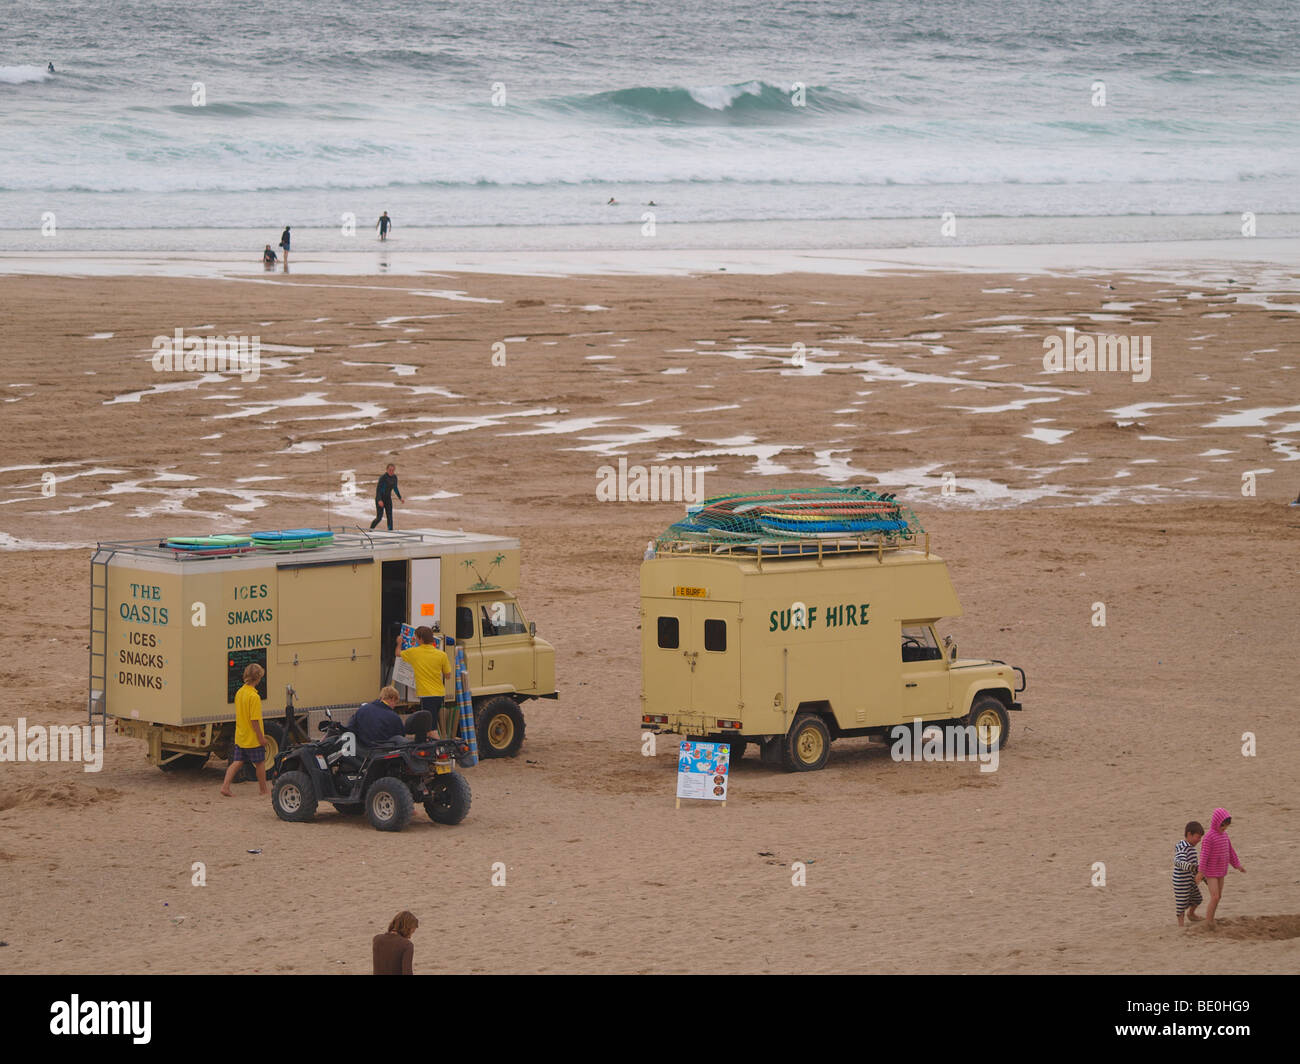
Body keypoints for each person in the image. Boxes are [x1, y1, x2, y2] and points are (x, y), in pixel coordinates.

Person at [220, 663, 268, 796]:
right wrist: (261, 738)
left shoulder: (239, 692)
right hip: (252, 738)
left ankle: (225, 786)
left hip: (240, 736)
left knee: (237, 762)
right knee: (260, 763)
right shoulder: (254, 697)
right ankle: (263, 790)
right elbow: (254, 720)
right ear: (258, 678)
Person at [397, 625, 453, 739]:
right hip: (440, 694)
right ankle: (431, 750)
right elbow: (448, 675)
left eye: (416, 638)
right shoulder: (441, 654)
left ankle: (440, 752)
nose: (416, 640)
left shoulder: (414, 652)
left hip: (427, 695)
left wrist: (399, 642)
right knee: (429, 728)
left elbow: (398, 653)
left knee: (431, 730)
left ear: (421, 639)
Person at [1200, 807, 1246, 929]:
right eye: (1222, 825)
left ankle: (1211, 919)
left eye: (1226, 826)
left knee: (1218, 896)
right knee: (1214, 896)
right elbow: (1204, 856)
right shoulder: (1209, 837)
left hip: (1221, 870)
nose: (1224, 828)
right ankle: (1208, 922)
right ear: (1216, 823)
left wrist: (1237, 865)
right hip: (1210, 872)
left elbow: (1230, 852)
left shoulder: (1225, 836)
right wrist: (1201, 872)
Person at [345, 685, 432, 746]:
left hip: (364, 749)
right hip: (382, 751)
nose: (394, 706)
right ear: (392, 699)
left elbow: (351, 727)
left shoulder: (362, 709)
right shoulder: (393, 717)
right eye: (395, 702)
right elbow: (400, 736)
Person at [1173, 820, 1204, 926]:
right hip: (1181, 881)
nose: (1199, 840)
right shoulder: (1182, 847)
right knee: (1181, 904)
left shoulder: (1192, 849)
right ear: (1189, 834)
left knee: (1198, 899)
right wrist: (1188, 866)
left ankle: (1191, 914)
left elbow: (1196, 868)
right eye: (1198, 837)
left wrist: (1203, 877)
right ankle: (1180, 924)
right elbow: (1179, 861)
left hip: (1190, 880)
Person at [373, 910, 418, 975]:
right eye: (411, 932)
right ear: (407, 928)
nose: (410, 937)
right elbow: (407, 972)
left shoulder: (377, 939)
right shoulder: (407, 945)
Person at [370, 463, 402, 530]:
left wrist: (400, 497)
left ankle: (390, 532)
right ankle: (371, 530)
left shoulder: (394, 477)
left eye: (393, 470)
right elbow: (378, 490)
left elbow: (395, 488)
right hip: (380, 499)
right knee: (379, 518)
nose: (391, 472)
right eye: (390, 470)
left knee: (390, 517)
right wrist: (379, 500)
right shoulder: (383, 478)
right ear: (387, 470)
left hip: (388, 499)